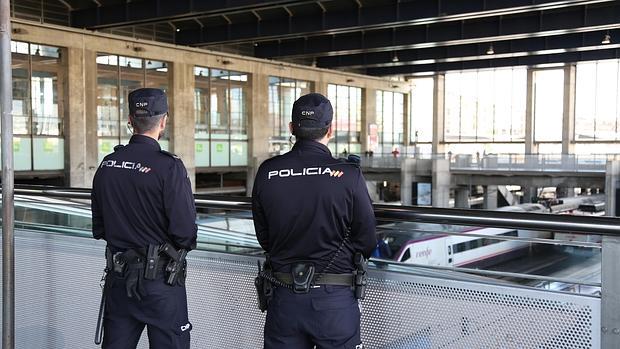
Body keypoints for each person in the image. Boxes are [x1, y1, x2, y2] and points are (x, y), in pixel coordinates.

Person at [252, 93, 377, 349]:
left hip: (283, 298)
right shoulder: (348, 175)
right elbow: (366, 239)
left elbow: (264, 236)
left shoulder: (267, 171)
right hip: (335, 300)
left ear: (291, 128)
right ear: (330, 130)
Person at [91, 88, 197, 349]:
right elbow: (185, 233)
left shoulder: (108, 164)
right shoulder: (169, 166)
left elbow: (100, 227)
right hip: (160, 282)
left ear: (130, 120)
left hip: (119, 278)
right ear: (164, 121)